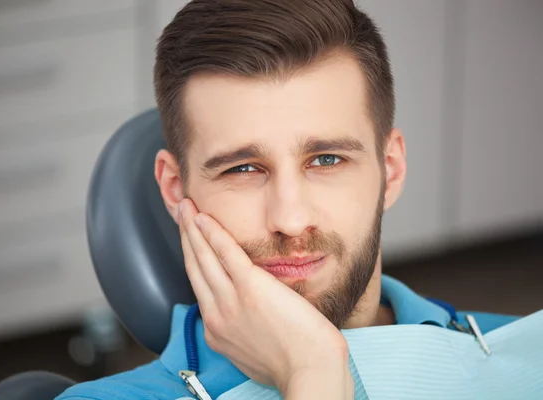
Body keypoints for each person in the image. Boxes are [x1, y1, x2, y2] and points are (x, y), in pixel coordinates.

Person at [56, 1, 520, 399]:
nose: (292, 220)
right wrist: (310, 373)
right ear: (176, 189)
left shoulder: (524, 352)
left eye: (327, 160)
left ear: (391, 169)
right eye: (243, 169)